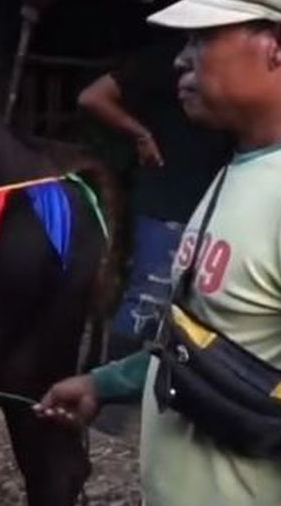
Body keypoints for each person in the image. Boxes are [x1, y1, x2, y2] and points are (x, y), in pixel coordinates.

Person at [36, 0, 281, 506]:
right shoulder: (244, 166)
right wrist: (108, 379)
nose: (182, 61)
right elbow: (210, 337)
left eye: (204, 37)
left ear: (278, 42)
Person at [79, 32, 231, 354]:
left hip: (215, 198)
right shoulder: (164, 60)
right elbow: (93, 97)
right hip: (168, 196)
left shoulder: (236, 63)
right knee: (147, 301)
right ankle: (113, 388)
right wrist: (141, 134)